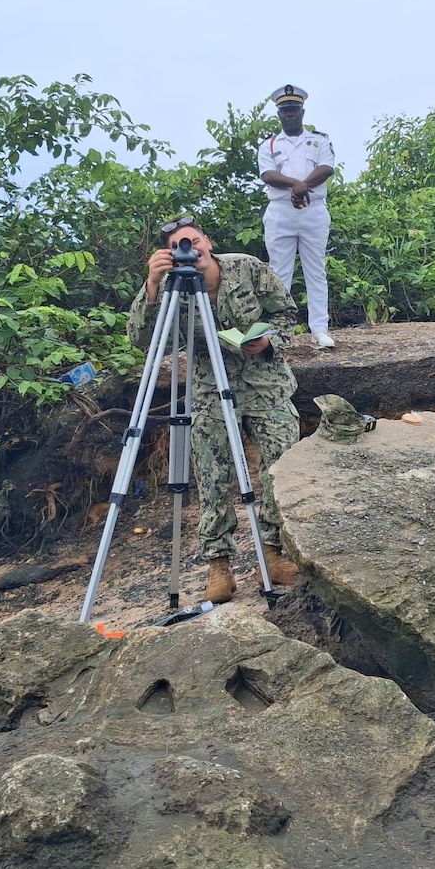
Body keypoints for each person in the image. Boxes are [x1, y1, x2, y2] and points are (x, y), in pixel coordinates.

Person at [127, 215, 303, 604]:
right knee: (213, 474)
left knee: (281, 466)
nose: (189, 250)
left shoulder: (247, 268)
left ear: (206, 240)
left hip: (265, 385)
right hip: (209, 387)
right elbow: (145, 340)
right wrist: (153, 285)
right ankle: (218, 565)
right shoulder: (171, 286)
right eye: (178, 246)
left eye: (192, 241)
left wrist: (269, 340)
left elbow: (287, 314)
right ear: (168, 254)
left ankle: (273, 554)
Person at [258, 84, 337, 347]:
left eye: (294, 110)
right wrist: (296, 185)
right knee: (279, 273)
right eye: (285, 111)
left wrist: (302, 187)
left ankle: (319, 329)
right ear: (279, 114)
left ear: (302, 111)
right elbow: (268, 175)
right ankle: (279, 332)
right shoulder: (269, 145)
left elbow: (326, 169)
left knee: (316, 269)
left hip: (313, 211)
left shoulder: (319, 140)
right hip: (281, 212)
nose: (290, 114)